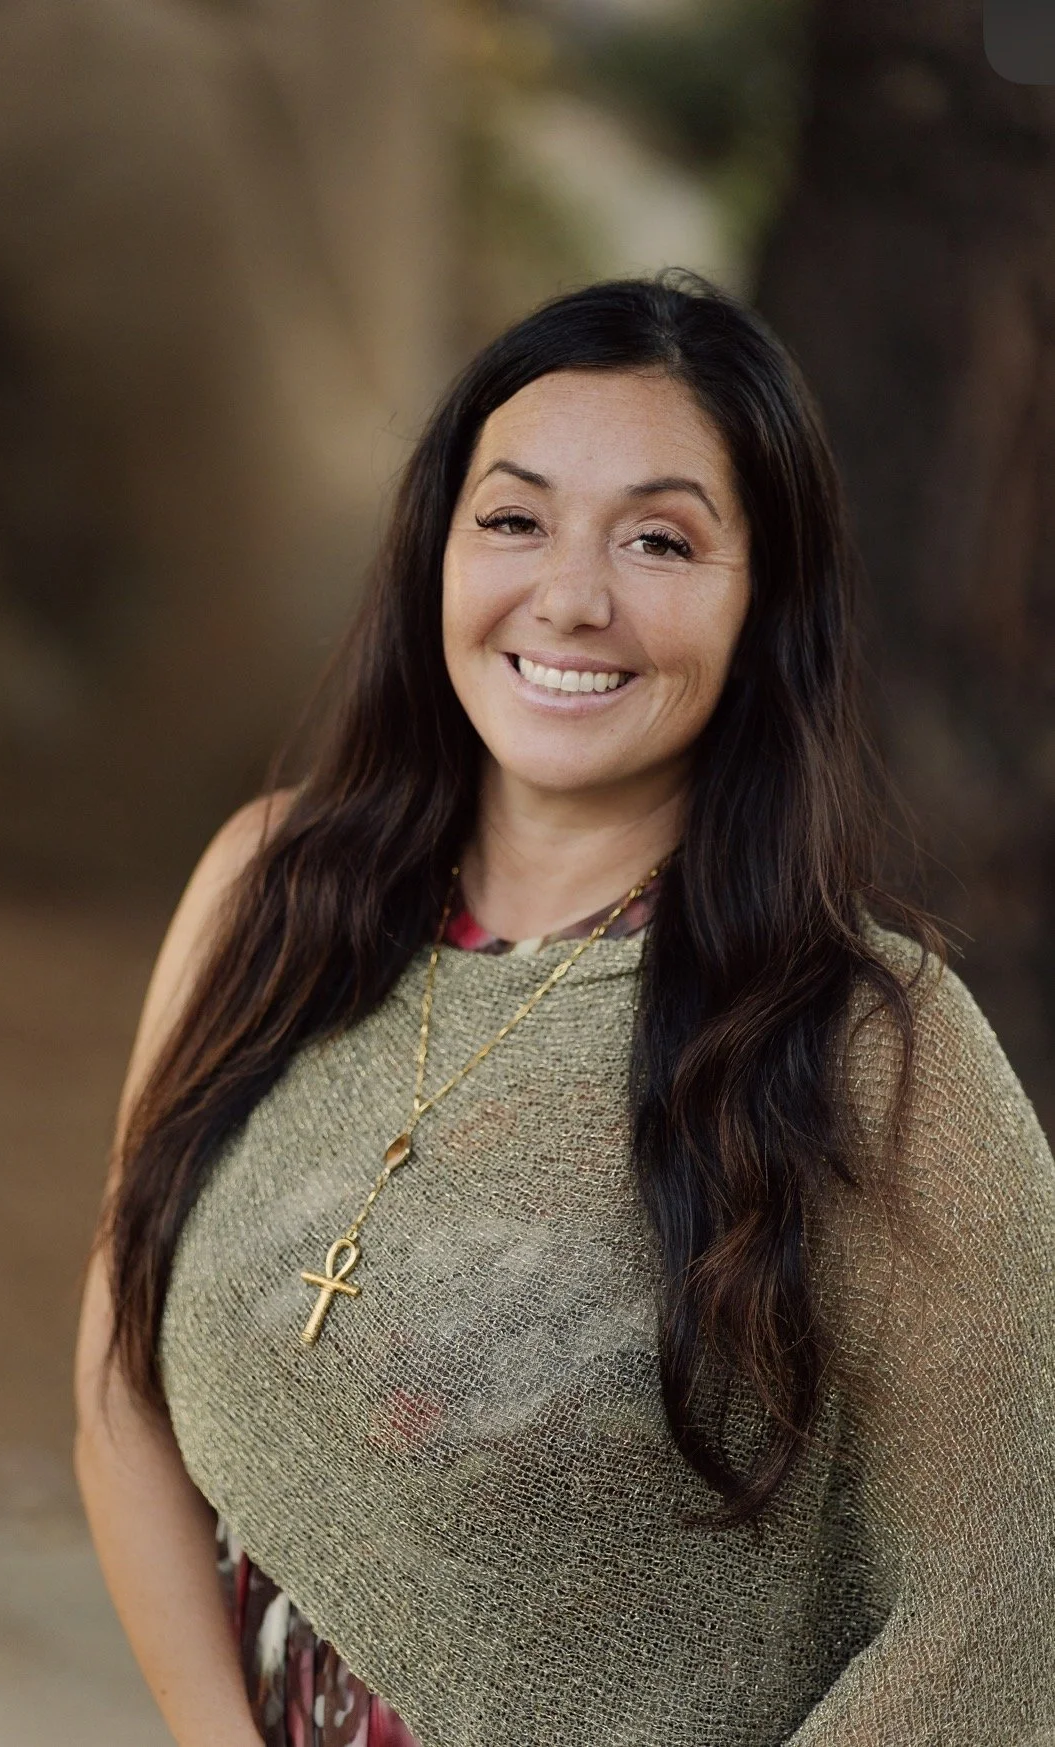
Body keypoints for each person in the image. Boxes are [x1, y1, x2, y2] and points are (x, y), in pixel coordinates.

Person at [74, 271, 1055, 1747]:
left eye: (659, 540)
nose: (571, 597)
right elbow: (117, 1384)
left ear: (766, 603)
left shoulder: (865, 1042)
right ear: (437, 548)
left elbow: (1007, 1597)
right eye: (514, 519)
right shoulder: (268, 888)